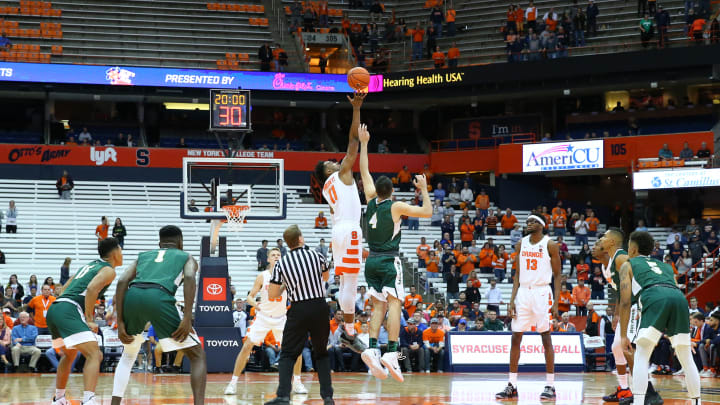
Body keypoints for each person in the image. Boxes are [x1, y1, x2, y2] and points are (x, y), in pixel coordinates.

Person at [357, 123, 432, 382]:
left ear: (377, 191)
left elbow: (364, 170)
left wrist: (364, 143)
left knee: (377, 305)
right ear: (392, 191)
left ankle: (371, 347)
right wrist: (423, 188)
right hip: (389, 261)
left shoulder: (369, 199)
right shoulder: (397, 206)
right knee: (395, 303)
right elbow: (427, 212)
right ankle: (390, 352)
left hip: (371, 262)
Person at [110, 226, 206, 405]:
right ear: (181, 242)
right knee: (197, 355)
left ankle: (115, 403)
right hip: (160, 296)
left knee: (129, 354)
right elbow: (191, 278)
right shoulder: (186, 256)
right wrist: (186, 318)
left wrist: (120, 321)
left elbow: (123, 281)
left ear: (159, 243)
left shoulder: (143, 256)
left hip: (133, 295)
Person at [618, 231, 699, 405]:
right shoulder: (665, 266)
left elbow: (624, 303)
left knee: (641, 354)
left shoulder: (627, 264)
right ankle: (696, 402)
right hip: (678, 297)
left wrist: (623, 336)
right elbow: (671, 291)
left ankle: (638, 402)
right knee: (686, 356)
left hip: (653, 296)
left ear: (632, 248)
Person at [314, 92, 367, 353]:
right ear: (327, 171)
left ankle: (349, 330)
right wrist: (356, 109)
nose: (335, 162)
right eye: (330, 163)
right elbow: (353, 141)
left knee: (348, 282)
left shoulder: (327, 187)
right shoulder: (342, 174)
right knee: (352, 282)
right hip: (349, 229)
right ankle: (348, 330)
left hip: (339, 231)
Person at [265, 225, 334, 405]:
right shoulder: (317, 255)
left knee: (288, 354)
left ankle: (283, 396)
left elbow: (273, 294)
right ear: (301, 239)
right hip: (319, 306)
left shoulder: (282, 263)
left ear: (287, 244)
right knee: (321, 353)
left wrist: (287, 284)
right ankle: (328, 397)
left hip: (298, 309)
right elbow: (326, 278)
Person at [224, 248, 306, 395]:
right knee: (246, 347)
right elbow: (250, 296)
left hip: (281, 318)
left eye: (278, 255)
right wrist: (255, 305)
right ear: (268, 259)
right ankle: (233, 383)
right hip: (263, 317)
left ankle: (298, 383)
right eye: (273, 255)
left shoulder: (288, 276)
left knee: (297, 349)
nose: (276, 257)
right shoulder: (263, 276)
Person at [496, 214, 560, 401]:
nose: (529, 224)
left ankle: (550, 385)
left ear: (541, 226)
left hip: (541, 292)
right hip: (523, 292)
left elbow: (557, 275)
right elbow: (517, 274)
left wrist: (556, 302)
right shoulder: (520, 244)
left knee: (546, 338)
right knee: (516, 337)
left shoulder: (550, 245)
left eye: (533, 222)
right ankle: (512, 385)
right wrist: (511, 299)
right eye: (528, 221)